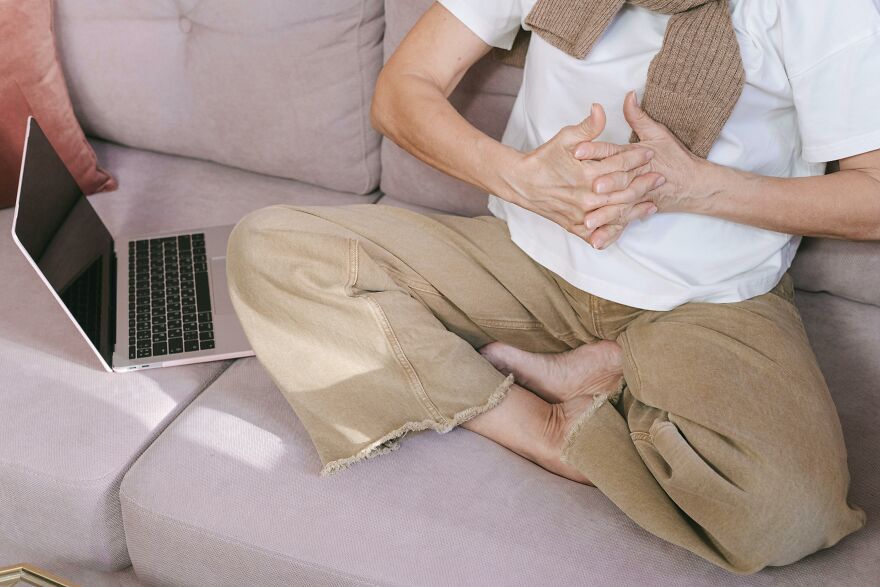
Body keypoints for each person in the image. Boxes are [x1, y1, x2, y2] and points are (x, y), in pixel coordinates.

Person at [226, 0, 879, 574]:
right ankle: (544, 424)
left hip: (707, 300)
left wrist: (696, 185)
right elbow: (402, 91)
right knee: (271, 248)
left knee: (787, 511)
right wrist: (519, 179)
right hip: (525, 261)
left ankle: (614, 369)